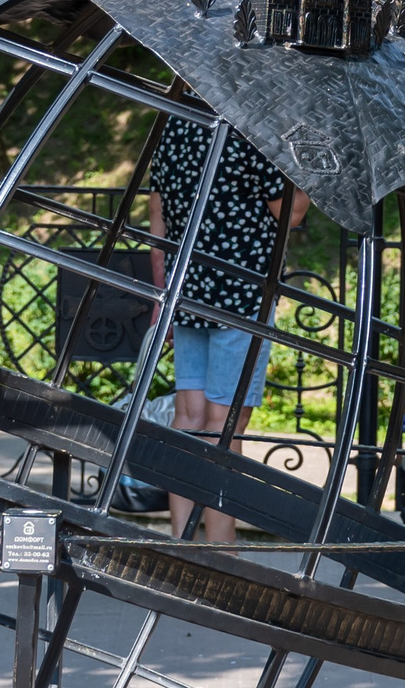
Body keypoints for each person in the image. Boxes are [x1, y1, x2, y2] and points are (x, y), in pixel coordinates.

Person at [146, 111, 309, 542]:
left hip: (186, 288)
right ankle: (222, 552)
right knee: (226, 422)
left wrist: (162, 294)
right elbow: (292, 211)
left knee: (189, 416)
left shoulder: (175, 125)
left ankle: (182, 541)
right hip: (243, 293)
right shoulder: (255, 129)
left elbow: (157, 214)